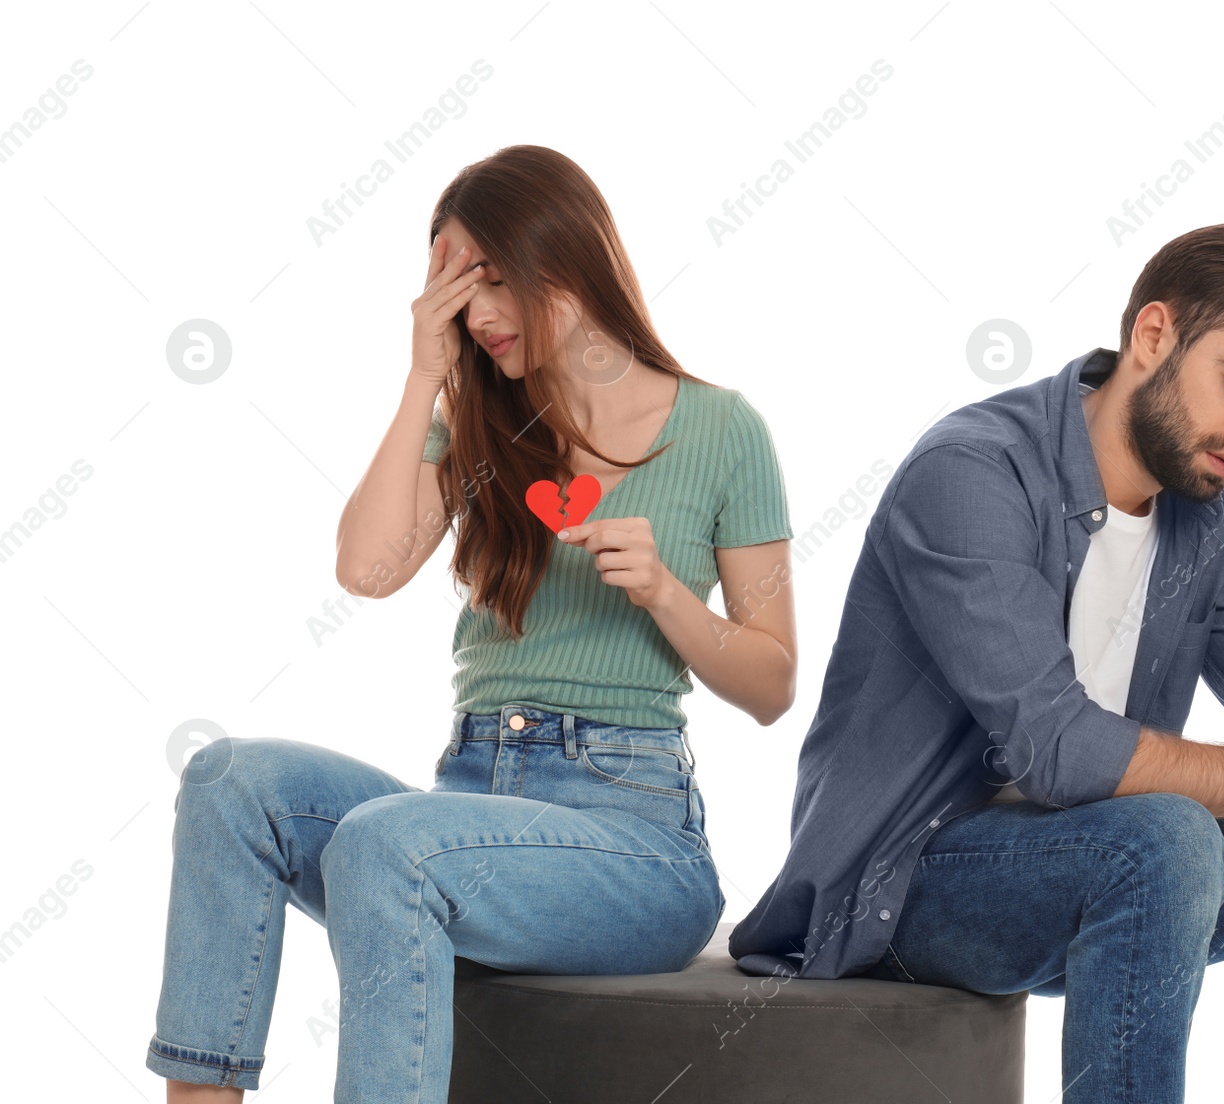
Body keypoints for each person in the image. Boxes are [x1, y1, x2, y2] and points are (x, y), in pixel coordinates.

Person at [728, 223, 1224, 1102]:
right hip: (901, 882)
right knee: (1165, 837)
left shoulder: (1210, 521)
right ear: (1153, 336)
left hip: (1111, 875)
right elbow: (1060, 752)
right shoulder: (973, 473)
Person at [145, 145, 796, 1103]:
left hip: (636, 843)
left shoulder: (723, 430)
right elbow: (366, 570)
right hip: (469, 804)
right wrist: (422, 378)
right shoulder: (480, 420)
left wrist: (665, 592)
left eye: (490, 279)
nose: (477, 314)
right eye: (452, 288)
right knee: (229, 779)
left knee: (383, 841)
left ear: (567, 259)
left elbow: (773, 684)